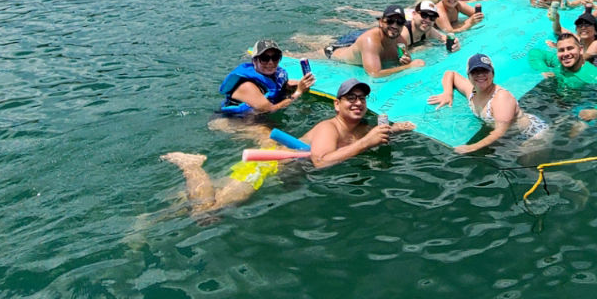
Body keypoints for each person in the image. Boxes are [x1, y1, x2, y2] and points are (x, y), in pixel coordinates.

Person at [162, 78, 415, 221]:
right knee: (208, 211)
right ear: (337, 105)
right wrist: (365, 144)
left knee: (183, 207)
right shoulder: (330, 128)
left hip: (282, 171)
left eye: (361, 98)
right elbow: (321, 161)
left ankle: (146, 224)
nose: (358, 103)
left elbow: (373, 134)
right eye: (351, 98)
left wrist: (396, 129)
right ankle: (191, 165)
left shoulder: (362, 127)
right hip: (266, 166)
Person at [427, 54, 549, 154]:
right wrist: (448, 93)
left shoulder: (501, 98)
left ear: (493, 73)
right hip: (510, 134)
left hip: (532, 134)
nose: (480, 75)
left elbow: (499, 131)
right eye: (475, 71)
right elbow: (450, 74)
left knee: (525, 165)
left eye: (485, 70)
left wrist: (472, 147)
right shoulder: (471, 91)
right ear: (468, 76)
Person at [533, 32, 597, 123]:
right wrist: (544, 70)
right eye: (561, 50)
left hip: (580, 105)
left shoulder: (593, 76)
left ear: (581, 50)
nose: (566, 54)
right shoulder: (558, 62)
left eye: (570, 48)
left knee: (577, 128)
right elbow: (535, 53)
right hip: (556, 100)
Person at [215, 39, 315, 116]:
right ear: (254, 61)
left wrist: (294, 85)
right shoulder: (247, 86)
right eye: (264, 58)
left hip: (258, 117)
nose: (270, 62)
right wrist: (298, 92)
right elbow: (271, 109)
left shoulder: (273, 75)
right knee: (271, 139)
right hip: (233, 121)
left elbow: (278, 86)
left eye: (275, 58)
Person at [325, 6, 425, 78]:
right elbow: (374, 74)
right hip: (332, 54)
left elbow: (403, 60)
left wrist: (406, 61)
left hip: (356, 48)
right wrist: (409, 66)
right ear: (381, 22)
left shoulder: (401, 41)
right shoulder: (370, 41)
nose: (394, 26)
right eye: (390, 21)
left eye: (399, 22)